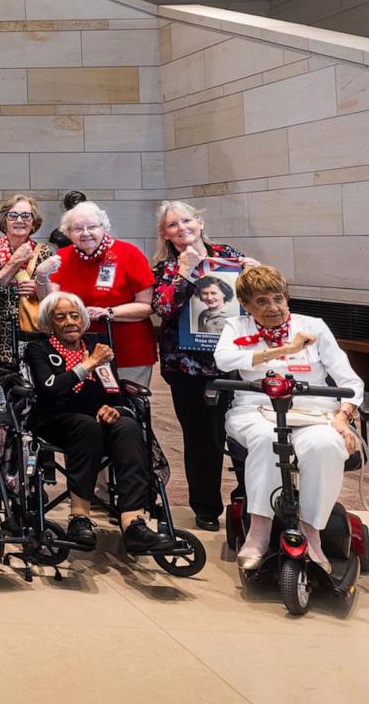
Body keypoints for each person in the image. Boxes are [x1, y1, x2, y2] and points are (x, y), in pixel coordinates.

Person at [215, 266, 365, 570]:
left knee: (324, 445)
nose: (272, 307)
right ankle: (259, 532)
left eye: (278, 298)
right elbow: (224, 360)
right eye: (261, 301)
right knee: (269, 439)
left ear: (287, 299)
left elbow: (352, 382)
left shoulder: (314, 326)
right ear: (246, 305)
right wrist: (286, 350)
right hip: (257, 409)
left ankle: (312, 533)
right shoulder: (236, 327)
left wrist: (342, 417)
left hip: (314, 410)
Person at [24, 293, 174, 553]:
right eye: (60, 317)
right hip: (57, 420)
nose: (70, 322)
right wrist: (89, 364)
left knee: (128, 426)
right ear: (49, 323)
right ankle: (80, 517)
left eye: (74, 315)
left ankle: (133, 521)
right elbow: (51, 389)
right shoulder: (40, 349)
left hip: (98, 415)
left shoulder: (97, 344)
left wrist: (114, 408)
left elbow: (114, 389)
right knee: (86, 426)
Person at [150, 199, 261, 532]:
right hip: (187, 367)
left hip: (234, 363)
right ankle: (206, 507)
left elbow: (261, 298)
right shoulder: (164, 267)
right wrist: (184, 270)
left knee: (245, 433)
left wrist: (256, 271)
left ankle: (247, 502)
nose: (181, 228)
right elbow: (162, 308)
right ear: (164, 233)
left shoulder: (228, 256)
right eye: (173, 225)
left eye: (186, 221)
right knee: (201, 438)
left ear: (199, 222)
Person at [35, 201, 156, 388]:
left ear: (104, 227)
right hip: (77, 351)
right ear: (68, 232)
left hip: (128, 347)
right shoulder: (62, 257)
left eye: (92, 227)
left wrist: (108, 312)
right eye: (77, 228)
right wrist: (41, 277)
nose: (85, 233)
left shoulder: (129, 253)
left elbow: (147, 306)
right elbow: (50, 304)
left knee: (130, 407)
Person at [0, 194, 53, 373]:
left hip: (35, 336)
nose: (20, 220)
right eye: (13, 215)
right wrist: (14, 262)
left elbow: (53, 300)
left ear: (34, 223)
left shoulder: (44, 252)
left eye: (26, 216)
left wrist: (38, 288)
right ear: (5, 221)